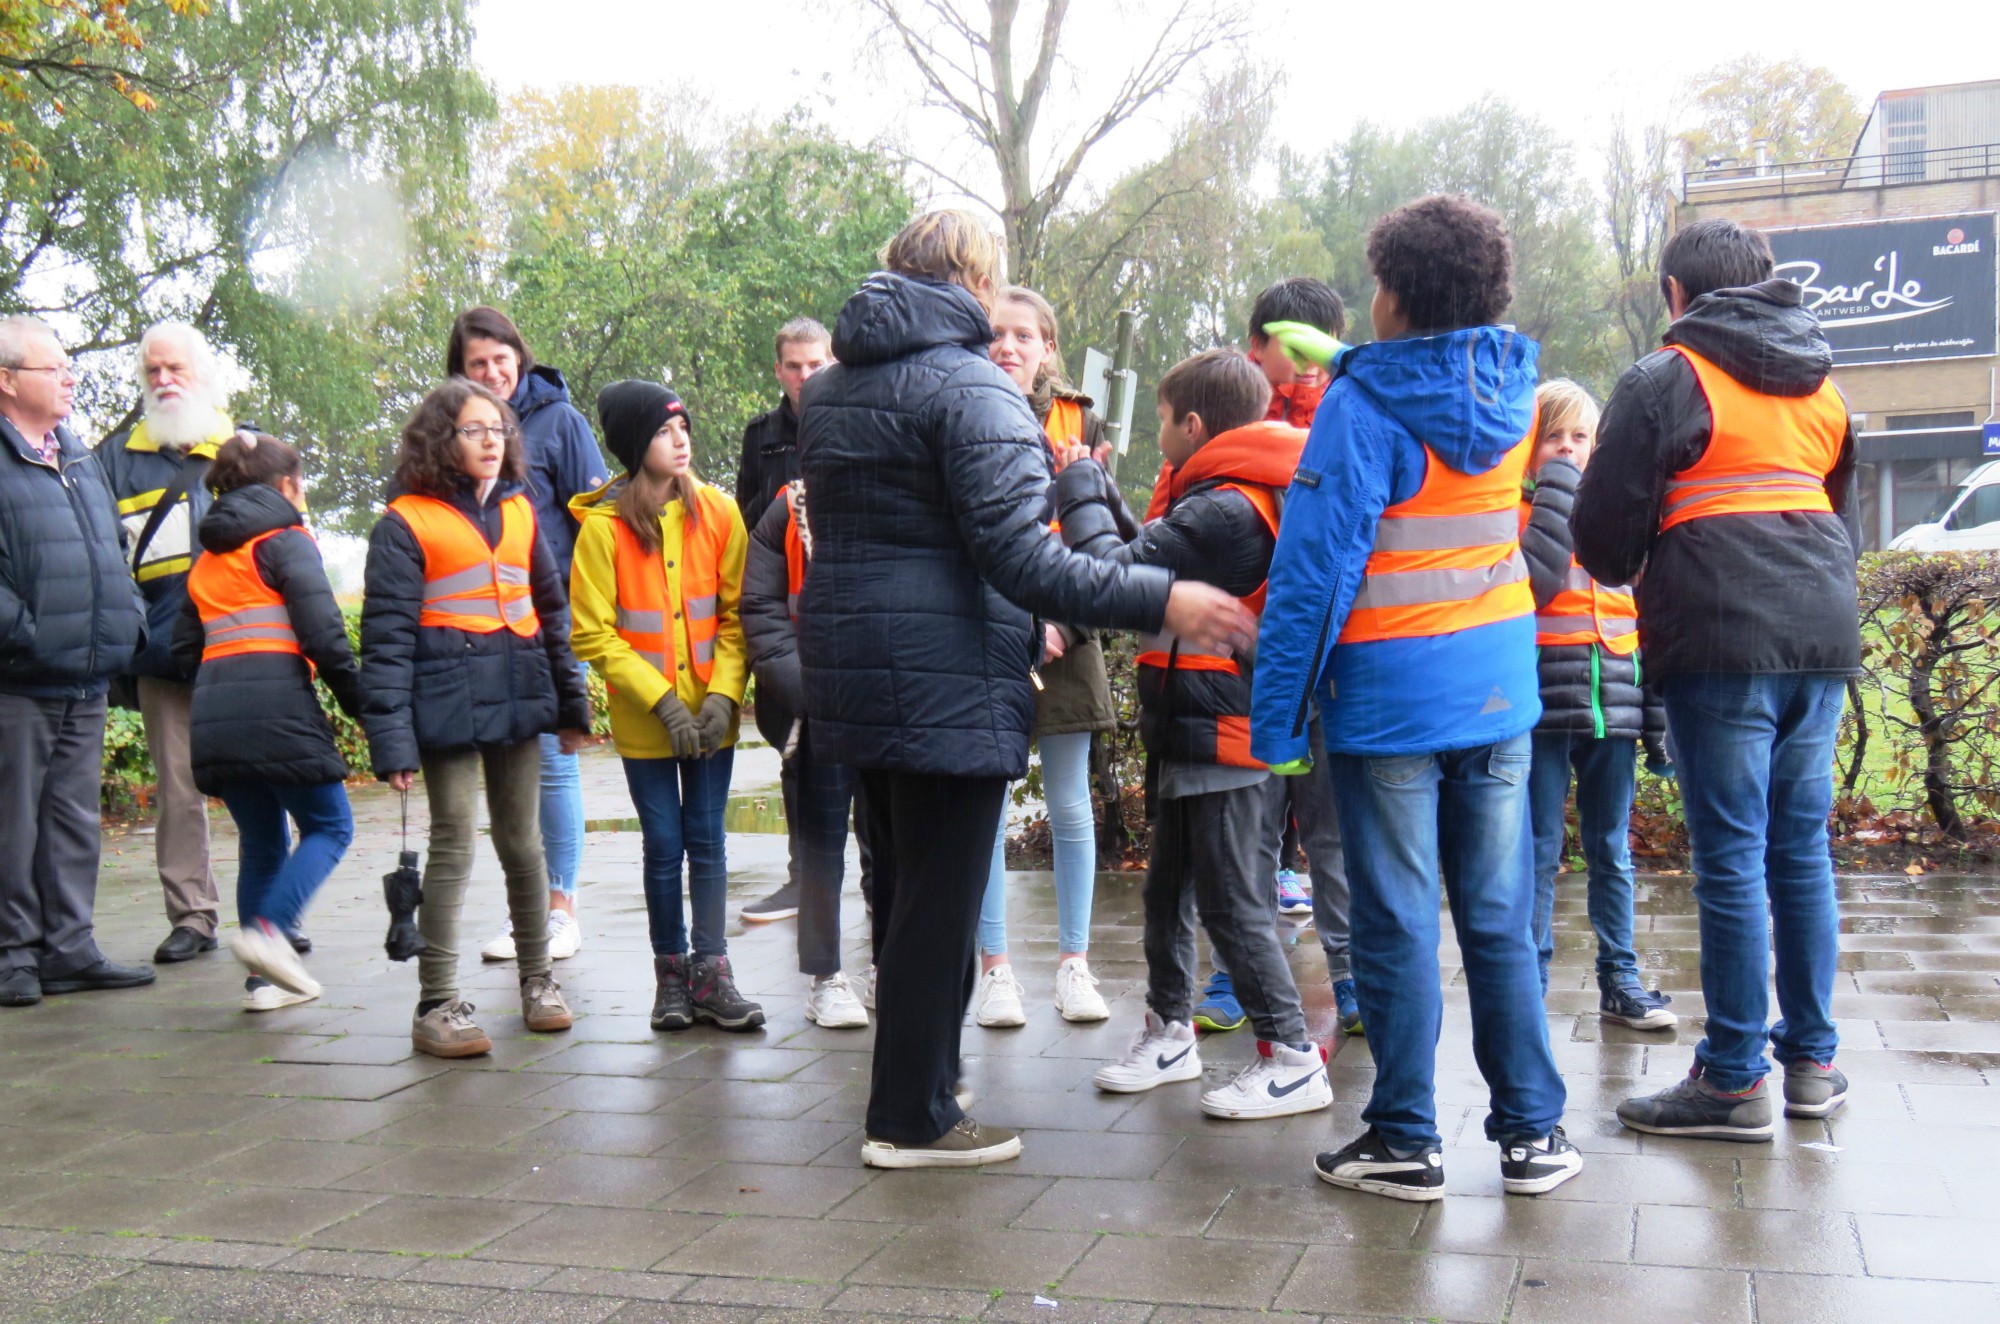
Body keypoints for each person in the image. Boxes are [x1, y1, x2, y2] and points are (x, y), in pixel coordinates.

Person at [798, 208, 1253, 1168]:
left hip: (856, 675)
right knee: (941, 903)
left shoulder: (833, 389)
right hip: (947, 677)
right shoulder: (977, 393)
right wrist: (1166, 598)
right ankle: (911, 1122)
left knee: (903, 896)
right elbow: (1026, 563)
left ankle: (918, 1083)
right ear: (974, 280)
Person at [1251, 195, 1582, 1201]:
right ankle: (1531, 1134)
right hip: (1496, 693)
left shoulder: (1363, 404)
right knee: (1496, 914)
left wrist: (1274, 722)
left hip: (1390, 698)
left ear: (1391, 298)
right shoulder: (1514, 390)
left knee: (1395, 919)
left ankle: (1403, 1135)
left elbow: (1314, 570)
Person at [1574, 218, 1859, 1140]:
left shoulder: (1668, 377)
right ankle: (1812, 1063)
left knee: (1733, 858)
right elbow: (1825, 504)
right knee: (1799, 848)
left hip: (1721, 637)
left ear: (1674, 294)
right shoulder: (1825, 385)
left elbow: (1604, 546)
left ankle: (1733, 1078)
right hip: (1821, 631)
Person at [1056, 348, 1332, 1119]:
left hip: (1226, 730)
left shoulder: (1226, 508)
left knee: (1232, 903)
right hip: (1194, 725)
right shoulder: (1212, 496)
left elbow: (1113, 577)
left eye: (1165, 421)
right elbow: (1148, 554)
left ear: (1195, 424)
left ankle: (1293, 1057)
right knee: (1166, 893)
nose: (1160, 437)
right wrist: (1103, 488)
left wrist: (1076, 479)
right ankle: (1172, 1030)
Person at [360, 376, 592, 1058]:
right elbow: (387, 639)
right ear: (442, 439)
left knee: (524, 843)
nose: (491, 441)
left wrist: (571, 707)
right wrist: (393, 743)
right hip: (445, 705)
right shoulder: (404, 521)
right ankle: (436, 1004)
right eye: (474, 430)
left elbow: (551, 613)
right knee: (455, 838)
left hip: (518, 696)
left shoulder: (521, 512)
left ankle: (539, 984)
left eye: (499, 430)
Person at [1194, 277, 1360, 1040]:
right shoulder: (1222, 417)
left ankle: (1353, 977)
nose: (1301, 370)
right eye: (1286, 350)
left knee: (1331, 832)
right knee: (1248, 832)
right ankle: (1238, 970)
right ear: (1254, 345)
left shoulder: (1355, 414)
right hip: (1247, 659)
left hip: (1334, 657)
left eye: (1316, 352)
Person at [570, 381, 762, 1032]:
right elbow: (592, 632)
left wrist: (721, 697)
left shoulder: (719, 513)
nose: (680, 440)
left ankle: (713, 974)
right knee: (663, 845)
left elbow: (738, 618)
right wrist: (662, 704)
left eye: (683, 426)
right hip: (647, 726)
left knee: (707, 842)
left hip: (712, 721)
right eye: (662, 431)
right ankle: (671, 979)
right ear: (633, 446)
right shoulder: (601, 531)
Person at [174, 433, 362, 1012]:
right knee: (331, 827)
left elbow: (182, 649)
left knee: (261, 842)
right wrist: (368, 706)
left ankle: (262, 986)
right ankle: (269, 934)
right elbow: (326, 637)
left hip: (213, 717)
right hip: (278, 709)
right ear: (287, 485)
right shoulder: (287, 542)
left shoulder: (206, 559)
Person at [0, 315, 153, 1008]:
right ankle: (13, 957)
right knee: (13, 819)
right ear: (7, 380)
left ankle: (69, 947)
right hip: (19, 676)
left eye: (68, 366)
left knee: (71, 819)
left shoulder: (80, 456)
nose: (70, 377)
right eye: (52, 367)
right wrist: (27, 634)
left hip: (86, 673)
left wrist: (130, 618)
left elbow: (113, 554)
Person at [449, 307, 609, 965]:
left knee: (550, 758)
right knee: (506, 770)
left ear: (521, 355)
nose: (492, 373)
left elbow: (598, 521)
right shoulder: (452, 432)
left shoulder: (559, 423)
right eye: (476, 364)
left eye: (500, 359)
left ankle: (561, 907)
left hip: (547, 620)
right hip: (478, 625)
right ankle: (526, 911)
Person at [972, 285, 1113, 1028]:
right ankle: (995, 969)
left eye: (1024, 335)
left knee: (1069, 804)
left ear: (1048, 348)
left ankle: (1074, 964)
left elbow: (1096, 533)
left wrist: (1056, 619)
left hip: (1068, 635)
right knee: (987, 808)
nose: (1008, 346)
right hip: (988, 632)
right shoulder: (962, 406)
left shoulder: (1080, 420)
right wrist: (1018, 616)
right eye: (997, 333)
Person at [1517, 379, 1674, 1027]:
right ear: (1528, 449)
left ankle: (1620, 977)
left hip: (1613, 701)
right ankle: (1531, 977)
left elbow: (1647, 618)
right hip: (1540, 702)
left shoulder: (1618, 517)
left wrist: (1655, 715)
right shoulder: (1515, 516)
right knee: (1538, 847)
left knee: (1611, 847)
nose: (1568, 449)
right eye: (1553, 436)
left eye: (1581, 438)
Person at [97, 322, 235, 965]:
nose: (163, 380)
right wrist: (135, 626)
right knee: (178, 786)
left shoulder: (243, 446)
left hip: (241, 642)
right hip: (160, 646)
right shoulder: (112, 459)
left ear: (201, 372)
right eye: (152, 370)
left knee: (257, 773)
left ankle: (274, 913)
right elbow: (101, 560)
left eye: (174, 368)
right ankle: (193, 915)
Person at [742, 476, 870, 1028]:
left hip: (887, 697)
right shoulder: (785, 512)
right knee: (819, 846)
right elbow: (761, 609)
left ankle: (889, 961)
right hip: (817, 704)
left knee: (888, 842)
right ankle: (826, 977)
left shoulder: (895, 490)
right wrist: (808, 693)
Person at [736, 316, 835, 924]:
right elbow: (750, 522)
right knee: (794, 758)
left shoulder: (857, 420)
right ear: (778, 371)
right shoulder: (761, 437)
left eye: (815, 365)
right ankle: (804, 881)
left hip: (847, 619)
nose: (804, 377)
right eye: (794, 366)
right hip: (784, 625)